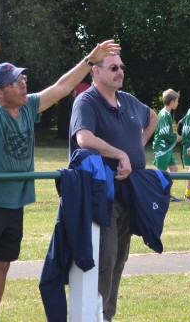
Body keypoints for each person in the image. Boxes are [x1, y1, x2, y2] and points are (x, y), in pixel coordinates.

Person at [0, 39, 120, 322]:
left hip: (14, 202)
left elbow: (61, 87)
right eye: (15, 82)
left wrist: (90, 60)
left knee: (3, 263)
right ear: (0, 91)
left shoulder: (29, 106)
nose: (23, 85)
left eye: (23, 79)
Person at [69, 52, 158, 321]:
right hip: (101, 196)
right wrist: (121, 154)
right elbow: (84, 138)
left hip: (129, 195)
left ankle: (106, 316)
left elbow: (152, 117)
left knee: (118, 260)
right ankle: (92, 316)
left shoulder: (129, 101)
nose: (120, 71)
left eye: (122, 66)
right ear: (95, 72)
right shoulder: (86, 101)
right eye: (113, 67)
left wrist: (135, 148)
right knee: (104, 260)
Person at [153, 88, 182, 201]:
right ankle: (158, 194)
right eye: (177, 101)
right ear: (172, 102)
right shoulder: (165, 115)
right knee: (161, 174)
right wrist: (176, 137)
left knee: (174, 171)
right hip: (162, 149)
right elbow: (164, 133)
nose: (178, 103)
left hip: (167, 149)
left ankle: (167, 194)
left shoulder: (166, 114)